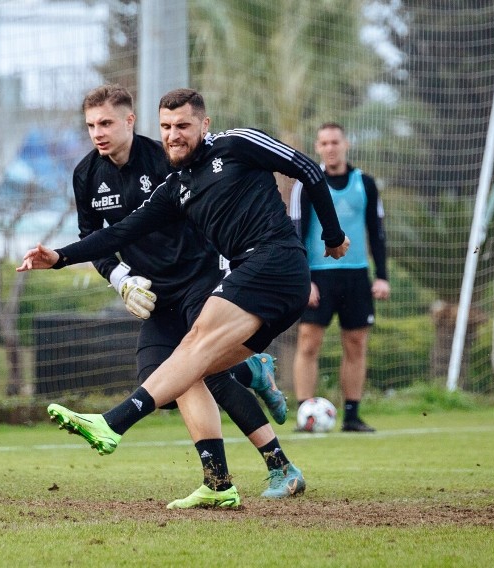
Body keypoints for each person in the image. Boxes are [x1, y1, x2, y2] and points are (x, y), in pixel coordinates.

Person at [18, 88, 348, 506]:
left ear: (204, 125)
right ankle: (219, 483)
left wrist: (333, 237)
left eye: (183, 126)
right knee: (188, 369)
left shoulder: (236, 143)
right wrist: (60, 256)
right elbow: (119, 233)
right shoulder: (175, 187)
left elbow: (308, 171)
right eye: (168, 127)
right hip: (238, 281)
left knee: (191, 348)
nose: (174, 135)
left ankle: (112, 423)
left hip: (272, 264)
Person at [72, 84, 298, 507]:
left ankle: (272, 466)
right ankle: (249, 379)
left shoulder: (166, 154)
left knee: (202, 369)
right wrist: (121, 277)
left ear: (129, 121)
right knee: (162, 378)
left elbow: (211, 208)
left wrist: (229, 267)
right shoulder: (86, 174)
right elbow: (96, 238)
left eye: (105, 123)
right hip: (152, 292)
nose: (97, 133)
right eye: (90, 125)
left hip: (199, 278)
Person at [289, 122, 389, 433]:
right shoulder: (306, 184)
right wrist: (304, 280)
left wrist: (382, 276)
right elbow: (297, 233)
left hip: (357, 276)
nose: (330, 148)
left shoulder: (366, 184)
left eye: (335, 142)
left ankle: (352, 415)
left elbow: (377, 232)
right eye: (324, 143)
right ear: (317, 148)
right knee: (309, 342)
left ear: (345, 144)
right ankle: (306, 413)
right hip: (318, 276)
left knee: (356, 343)